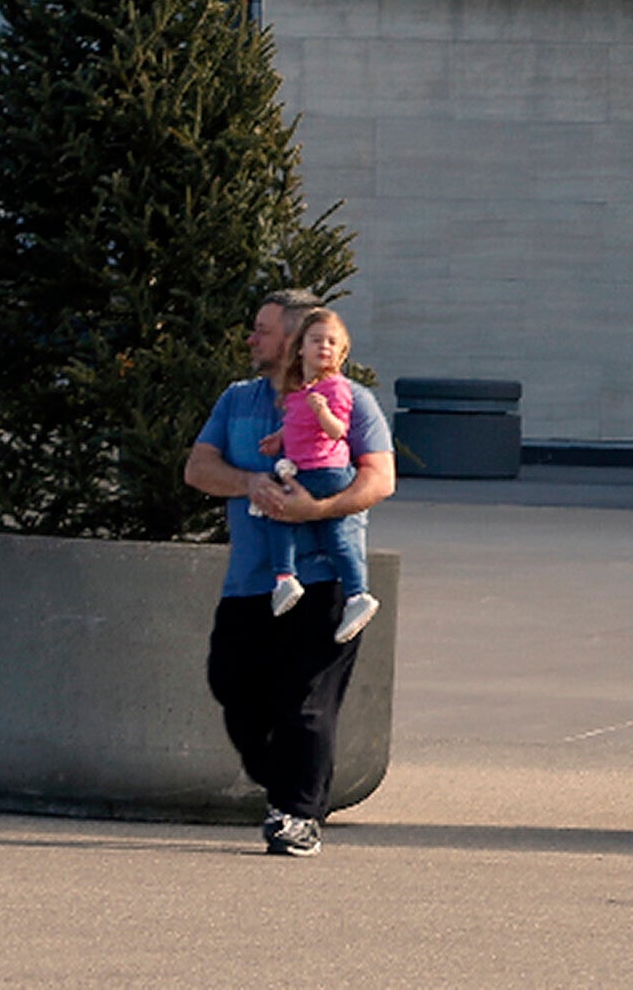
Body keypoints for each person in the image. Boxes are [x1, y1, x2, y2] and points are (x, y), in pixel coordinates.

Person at [182, 290, 395, 857]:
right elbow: (199, 467)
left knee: (305, 702)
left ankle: (296, 816)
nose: (251, 338)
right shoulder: (238, 400)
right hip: (253, 581)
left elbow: (379, 480)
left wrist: (316, 510)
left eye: (263, 330)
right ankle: (286, 787)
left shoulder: (351, 401)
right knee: (231, 685)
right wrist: (248, 482)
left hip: (325, 582)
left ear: (297, 342)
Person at [258, 307, 380, 643]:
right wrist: (279, 438)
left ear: (341, 353)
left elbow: (336, 430)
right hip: (313, 468)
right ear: (300, 348)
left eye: (331, 342)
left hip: (325, 471)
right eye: (316, 340)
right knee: (336, 537)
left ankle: (285, 578)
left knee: (278, 513)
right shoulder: (301, 392)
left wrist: (324, 413)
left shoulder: (335, 389)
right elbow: (297, 423)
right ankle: (357, 595)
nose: (323, 347)